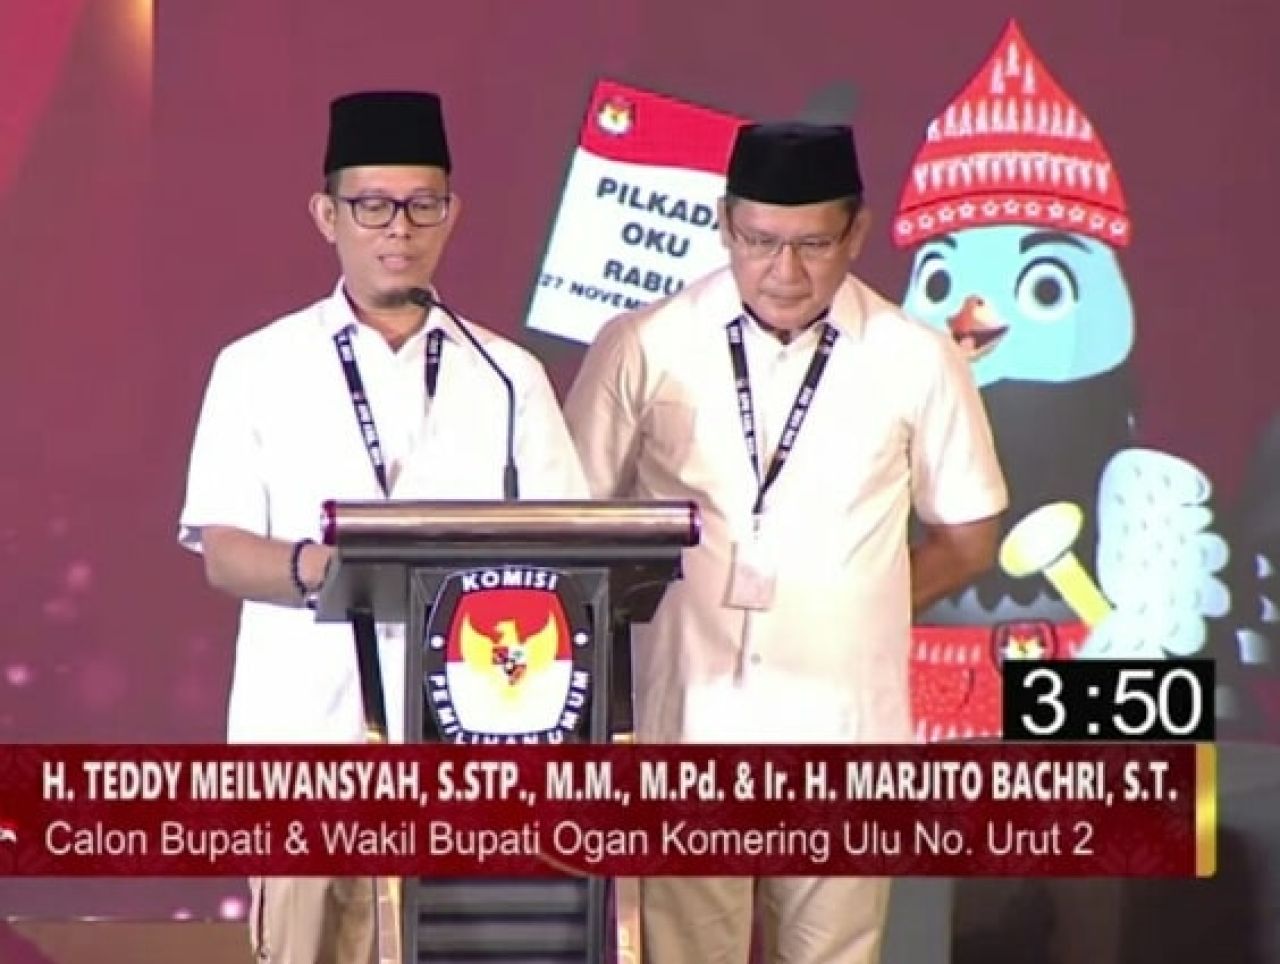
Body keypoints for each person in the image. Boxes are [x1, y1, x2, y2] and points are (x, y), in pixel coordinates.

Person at [563, 122, 1008, 964]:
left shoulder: (916, 358)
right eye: (761, 241)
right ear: (725, 224)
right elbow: (571, 525)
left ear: (857, 233)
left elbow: (969, 536)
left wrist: (865, 604)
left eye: (813, 244)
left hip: (845, 724)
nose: (785, 271)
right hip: (685, 717)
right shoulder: (646, 342)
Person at [177, 90, 586, 964]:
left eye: (421, 204)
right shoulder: (257, 365)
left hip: (466, 742)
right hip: (302, 737)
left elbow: (568, 551)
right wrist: (335, 572)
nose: (398, 227)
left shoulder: (507, 376)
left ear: (451, 214)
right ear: (327, 215)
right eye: (372, 205)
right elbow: (224, 552)